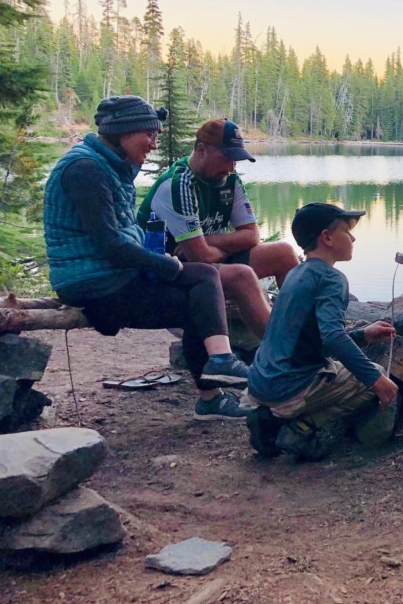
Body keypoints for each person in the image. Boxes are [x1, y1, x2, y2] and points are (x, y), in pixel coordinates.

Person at [43, 95, 254, 421]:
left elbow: (122, 237)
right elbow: (109, 244)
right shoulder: (85, 169)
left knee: (204, 277)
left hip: (112, 275)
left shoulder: (109, 166)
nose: (154, 143)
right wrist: (165, 264)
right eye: (149, 134)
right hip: (91, 282)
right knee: (198, 297)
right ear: (123, 132)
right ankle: (213, 390)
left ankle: (220, 367)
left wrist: (159, 259)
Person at [245, 203, 399, 460]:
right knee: (375, 379)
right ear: (327, 238)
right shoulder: (331, 279)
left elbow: (309, 337)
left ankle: (268, 419)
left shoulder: (295, 273)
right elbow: (332, 337)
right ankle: (300, 428)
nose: (353, 237)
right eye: (347, 231)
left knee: (345, 366)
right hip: (288, 387)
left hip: (260, 382)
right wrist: (376, 379)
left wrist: (362, 335)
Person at [137, 118, 299, 338]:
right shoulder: (179, 184)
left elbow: (252, 236)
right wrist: (212, 246)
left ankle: (304, 333)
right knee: (242, 276)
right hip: (164, 274)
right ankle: (285, 354)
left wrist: (209, 241)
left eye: (236, 160)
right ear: (202, 150)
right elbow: (200, 257)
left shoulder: (229, 182)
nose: (231, 167)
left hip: (204, 262)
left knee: (284, 254)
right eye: (227, 158)